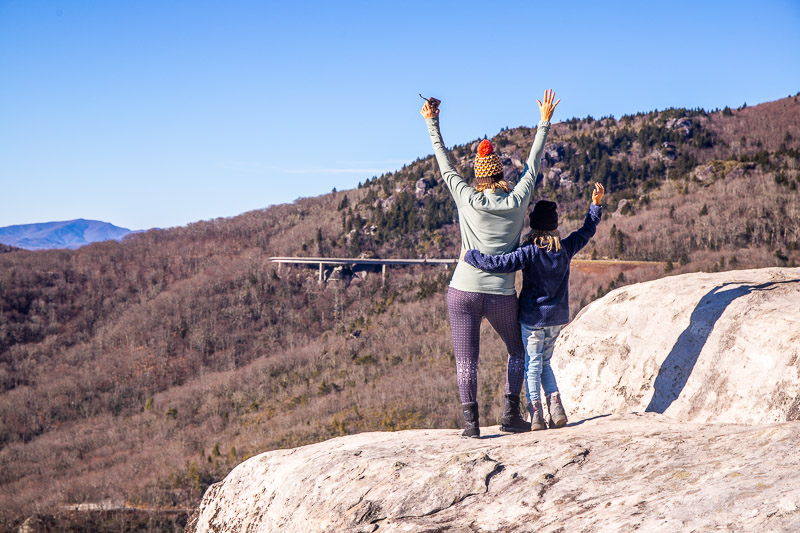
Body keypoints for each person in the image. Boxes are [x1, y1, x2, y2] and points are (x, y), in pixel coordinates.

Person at [421, 90, 559, 438]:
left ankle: (471, 425)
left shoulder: (465, 197)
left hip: (462, 290)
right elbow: (534, 163)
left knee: (467, 360)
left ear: (479, 177)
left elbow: (444, 163)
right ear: (500, 174)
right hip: (500, 294)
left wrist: (432, 122)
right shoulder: (517, 200)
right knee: (517, 353)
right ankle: (511, 415)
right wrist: (543, 122)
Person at [461, 182, 604, 430]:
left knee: (532, 364)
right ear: (554, 225)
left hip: (532, 319)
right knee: (545, 362)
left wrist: (471, 256)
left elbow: (500, 263)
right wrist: (595, 205)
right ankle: (556, 407)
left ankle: (536, 412)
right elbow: (587, 230)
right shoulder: (565, 247)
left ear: (534, 225)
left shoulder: (529, 251)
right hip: (557, 319)